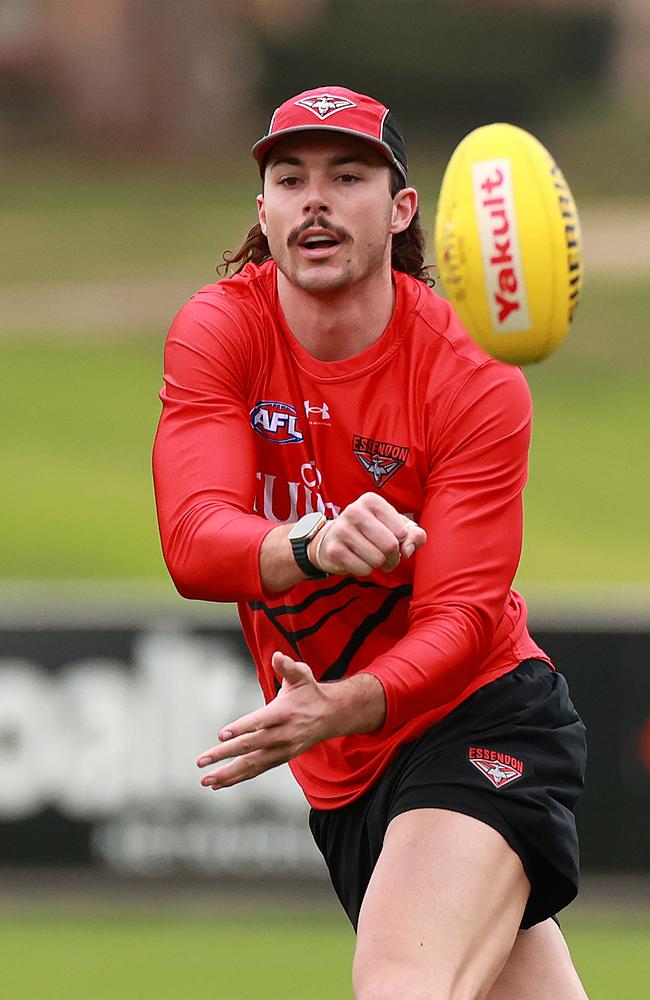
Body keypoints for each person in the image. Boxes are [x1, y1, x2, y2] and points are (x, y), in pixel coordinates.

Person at [153, 85, 588, 999]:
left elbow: (462, 620)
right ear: (262, 212)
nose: (315, 198)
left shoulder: (471, 377)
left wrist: (342, 704)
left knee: (400, 983)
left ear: (399, 211)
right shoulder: (220, 328)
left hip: (479, 716)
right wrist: (310, 543)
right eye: (290, 177)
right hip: (346, 774)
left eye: (347, 175)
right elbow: (193, 542)